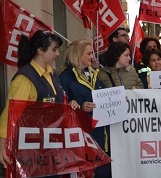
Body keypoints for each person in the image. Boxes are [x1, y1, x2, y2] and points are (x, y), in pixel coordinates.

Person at [0, 31, 79, 177]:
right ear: (40, 50)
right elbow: (11, 113)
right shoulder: (25, 78)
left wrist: (70, 105)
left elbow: (57, 103)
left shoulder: (54, 74)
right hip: (32, 149)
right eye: (54, 50)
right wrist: (2, 142)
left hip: (52, 146)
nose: (57, 54)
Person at [59, 39, 111, 178]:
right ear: (77, 55)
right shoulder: (65, 77)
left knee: (103, 171)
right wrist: (80, 106)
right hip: (80, 136)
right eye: (88, 54)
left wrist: (118, 99)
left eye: (92, 53)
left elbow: (103, 94)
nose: (92, 57)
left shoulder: (94, 74)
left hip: (99, 132)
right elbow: (61, 105)